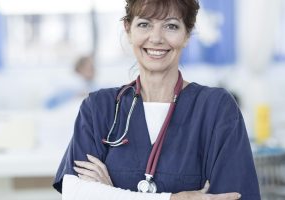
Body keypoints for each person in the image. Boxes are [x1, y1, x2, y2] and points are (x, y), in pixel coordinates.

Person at [53, 0, 261, 199]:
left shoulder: (216, 109)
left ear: (187, 34)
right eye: (144, 24)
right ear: (128, 30)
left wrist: (109, 194)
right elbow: (75, 194)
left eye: (171, 26)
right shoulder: (98, 109)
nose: (156, 38)